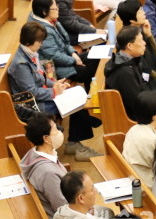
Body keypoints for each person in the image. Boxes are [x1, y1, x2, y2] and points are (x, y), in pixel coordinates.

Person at [10, 21, 101, 160]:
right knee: (78, 105)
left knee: (78, 98)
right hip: (33, 105)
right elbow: (31, 92)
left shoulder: (30, 52)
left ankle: (75, 141)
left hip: (42, 96)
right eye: (39, 42)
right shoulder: (20, 63)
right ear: (30, 41)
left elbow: (41, 77)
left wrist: (55, 84)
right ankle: (75, 146)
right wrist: (54, 92)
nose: (41, 45)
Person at [21, 112, 68, 219]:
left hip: (68, 207)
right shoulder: (48, 172)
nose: (59, 132)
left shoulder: (33, 153)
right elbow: (63, 208)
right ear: (46, 139)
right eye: (56, 130)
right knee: (107, 215)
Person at [122, 90, 156, 187]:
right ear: (154, 115)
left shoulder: (134, 129)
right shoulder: (151, 139)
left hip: (135, 176)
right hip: (146, 185)